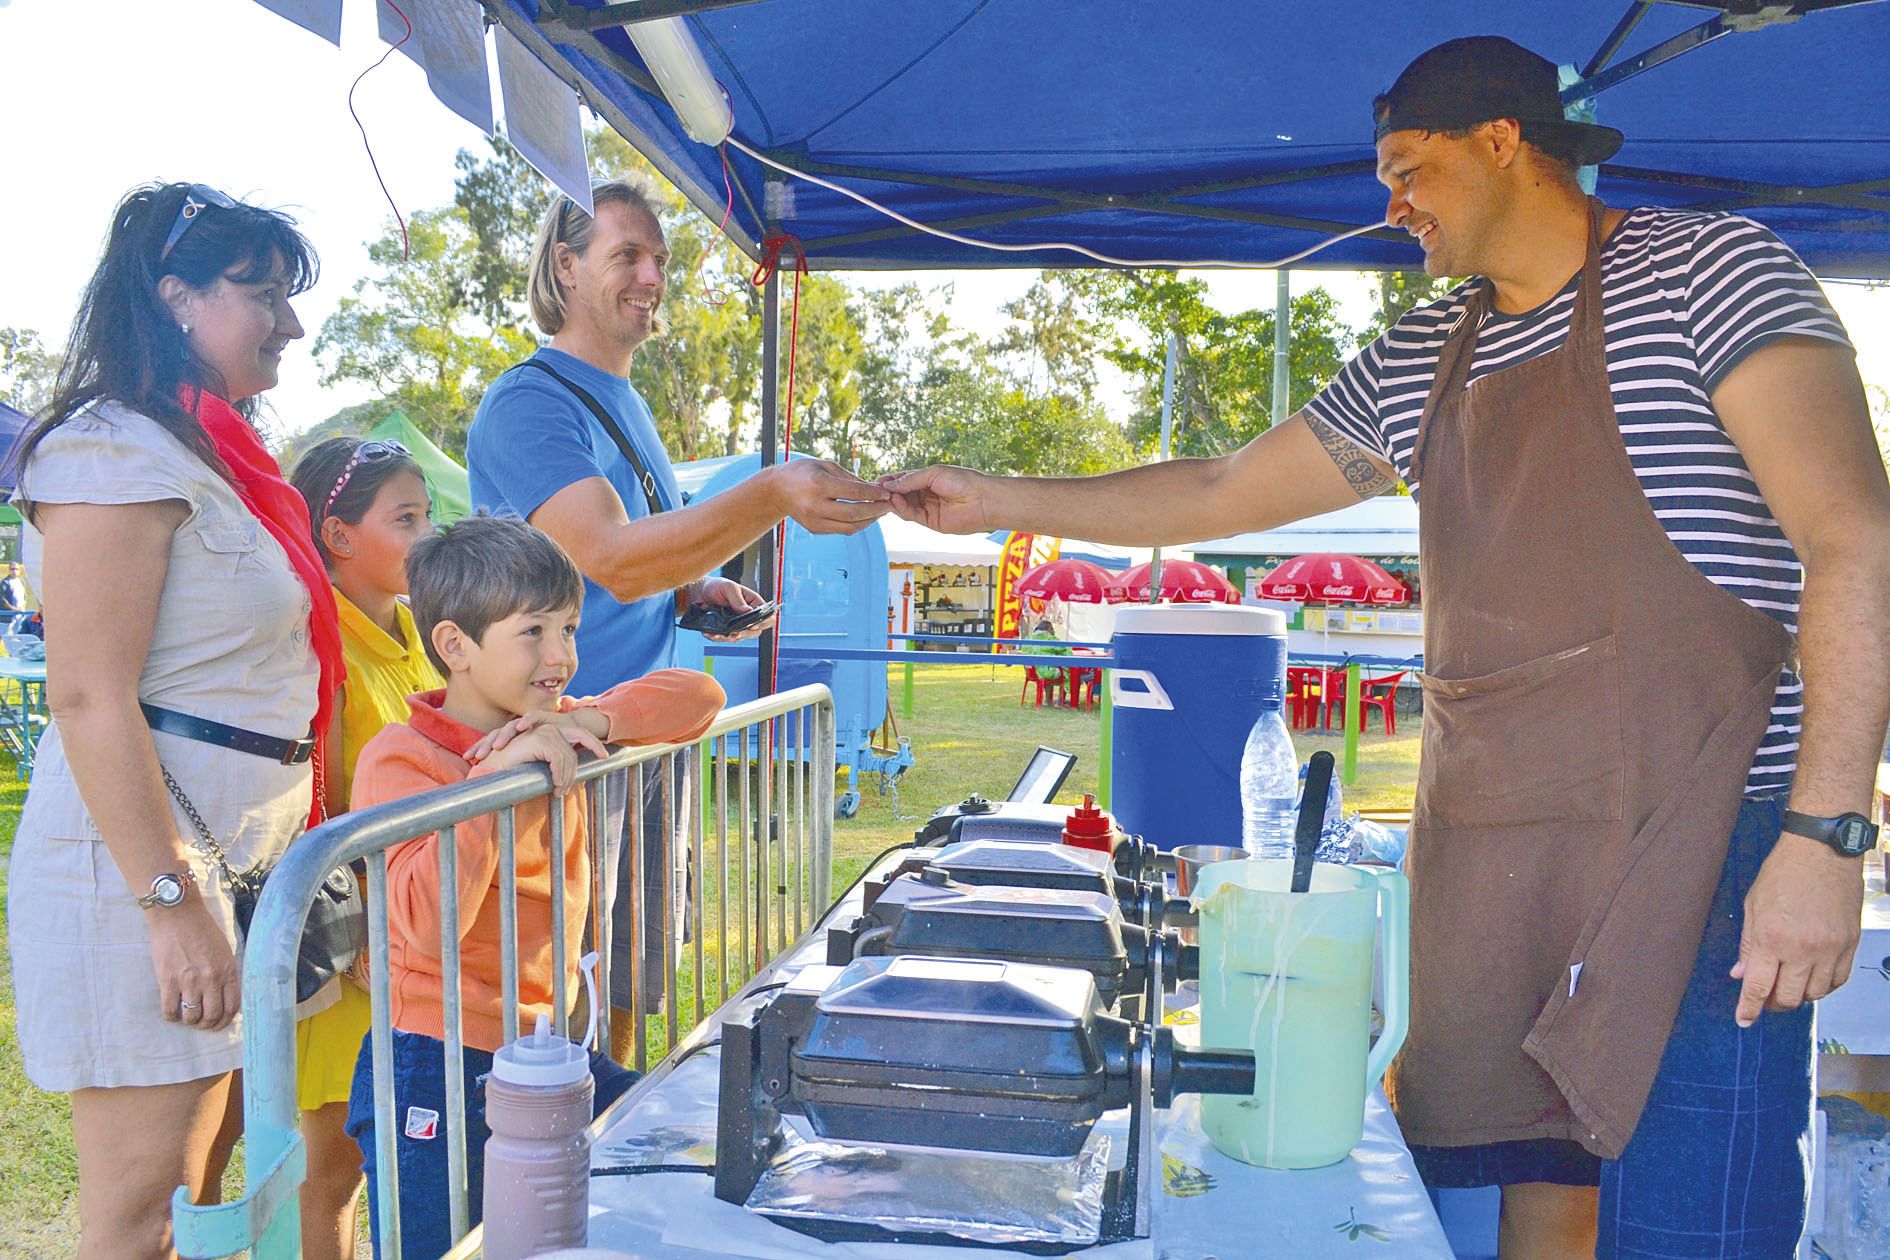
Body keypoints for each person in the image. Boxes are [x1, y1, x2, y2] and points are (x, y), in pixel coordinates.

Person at [885, 36, 1890, 1259]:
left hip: (1707, 840)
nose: (1391, 203)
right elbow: (1218, 488)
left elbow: (1857, 540)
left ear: (1506, 143)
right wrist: (997, 497)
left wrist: (1825, 835)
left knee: (1693, 1214)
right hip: (1505, 844)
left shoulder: (1710, 271)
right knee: (1540, 1181)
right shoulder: (1428, 351)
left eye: (1409, 168)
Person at [465, 178, 888, 1059]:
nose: (652, 275)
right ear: (566, 266)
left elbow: (622, 571)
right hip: (556, 754)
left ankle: (606, 1162)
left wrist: (691, 591)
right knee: (558, 1011)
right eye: (628, 255)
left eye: (659, 258)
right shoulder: (530, 402)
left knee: (624, 989)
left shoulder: (628, 400)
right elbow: (609, 556)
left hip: (637, 737)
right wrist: (772, 493)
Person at [6, 182, 341, 1258]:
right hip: (147, 877)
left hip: (229, 864)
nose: (289, 324)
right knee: (141, 1213)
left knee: (198, 1198)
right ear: (176, 298)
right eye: (262, 296)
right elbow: (87, 694)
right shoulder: (110, 450)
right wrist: (169, 903)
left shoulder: (211, 455)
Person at [342, 514, 724, 1258]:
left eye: (571, 629)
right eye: (534, 632)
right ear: (454, 645)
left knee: (663, 1151)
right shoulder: (404, 758)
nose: (561, 656)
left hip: (544, 1046)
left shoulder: (558, 721)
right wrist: (503, 780)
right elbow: (427, 923)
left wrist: (598, 720)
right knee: (438, 1244)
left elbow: (700, 695)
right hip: (438, 1056)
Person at [288, 435, 442, 1260]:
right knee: (338, 1167)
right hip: (356, 940)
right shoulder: (324, 645)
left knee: (404, 1143)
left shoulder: (423, 632)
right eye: (406, 519)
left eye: (429, 516)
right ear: (339, 535)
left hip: (422, 935)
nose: (428, 536)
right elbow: (328, 801)